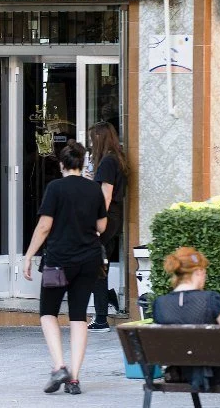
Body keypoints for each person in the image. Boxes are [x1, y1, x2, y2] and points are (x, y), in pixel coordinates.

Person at [22, 140, 107, 395]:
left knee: (48, 312)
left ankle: (59, 366)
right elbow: (101, 227)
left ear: (61, 164)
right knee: (79, 316)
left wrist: (28, 255)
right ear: (82, 163)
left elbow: (45, 226)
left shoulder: (55, 188)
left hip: (58, 261)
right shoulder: (94, 190)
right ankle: (75, 379)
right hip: (88, 261)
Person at [153, 247, 220, 408]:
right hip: (215, 373)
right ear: (198, 272)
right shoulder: (211, 299)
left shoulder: (160, 304)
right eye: (204, 273)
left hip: (178, 373)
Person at [87, 121, 127, 333]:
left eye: (93, 139)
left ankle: (101, 318)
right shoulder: (115, 159)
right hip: (114, 217)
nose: (91, 144)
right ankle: (106, 301)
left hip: (107, 218)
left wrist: (96, 223)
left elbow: (106, 195)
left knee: (96, 266)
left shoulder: (107, 162)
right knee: (101, 263)